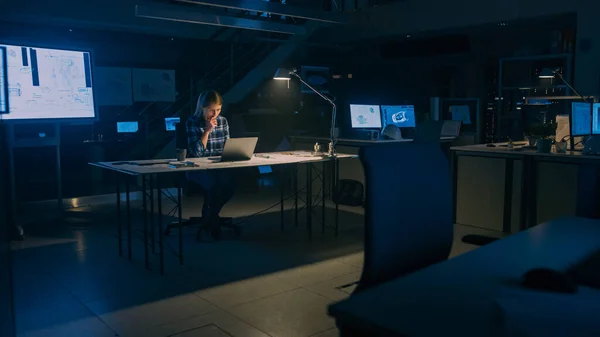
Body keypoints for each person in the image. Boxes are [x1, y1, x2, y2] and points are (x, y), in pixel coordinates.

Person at [186, 90, 236, 240]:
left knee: (232, 184)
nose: (215, 114)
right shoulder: (192, 122)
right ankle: (212, 218)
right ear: (202, 108)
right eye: (211, 110)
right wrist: (207, 131)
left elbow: (228, 147)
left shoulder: (223, 121)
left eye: (218, 109)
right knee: (215, 185)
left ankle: (210, 214)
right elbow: (197, 153)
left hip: (218, 166)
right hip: (196, 168)